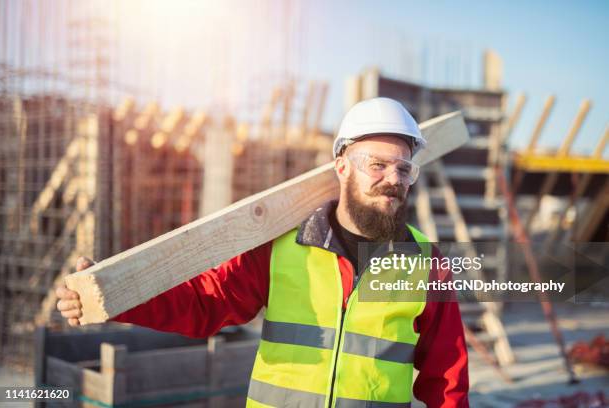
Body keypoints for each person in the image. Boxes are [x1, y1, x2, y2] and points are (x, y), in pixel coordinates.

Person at [56, 97, 469, 407]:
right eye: (377, 165)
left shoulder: (427, 265)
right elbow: (205, 304)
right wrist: (117, 295)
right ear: (342, 166)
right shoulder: (283, 246)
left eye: (403, 168)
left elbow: (447, 380)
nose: (392, 179)